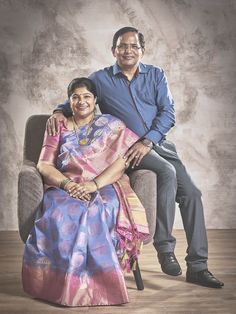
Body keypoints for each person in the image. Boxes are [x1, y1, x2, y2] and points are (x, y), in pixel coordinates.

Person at [47, 27, 224, 288]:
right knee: (166, 172)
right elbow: (79, 99)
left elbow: (168, 113)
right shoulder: (101, 79)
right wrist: (57, 112)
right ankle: (165, 248)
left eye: (133, 46)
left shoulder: (156, 75)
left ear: (142, 49)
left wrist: (148, 140)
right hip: (126, 149)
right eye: (122, 46)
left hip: (158, 145)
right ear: (113, 50)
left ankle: (198, 267)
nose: (127, 50)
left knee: (193, 195)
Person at [22, 77, 149, 307]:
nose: (81, 101)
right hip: (65, 185)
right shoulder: (57, 126)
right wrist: (68, 186)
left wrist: (94, 185)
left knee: (98, 208)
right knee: (63, 213)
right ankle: (64, 285)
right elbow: (44, 165)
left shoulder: (111, 125)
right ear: (69, 101)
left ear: (95, 100)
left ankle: (103, 285)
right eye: (76, 97)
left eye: (86, 96)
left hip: (104, 185)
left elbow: (121, 163)